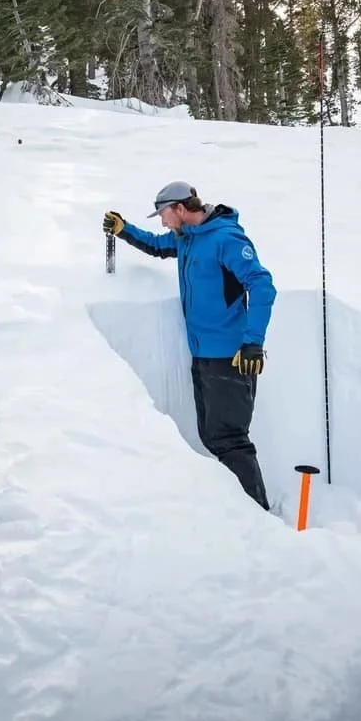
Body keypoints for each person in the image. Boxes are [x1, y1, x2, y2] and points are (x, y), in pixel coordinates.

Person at [104, 182, 276, 509]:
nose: (163, 222)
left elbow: (263, 285)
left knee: (230, 440)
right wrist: (125, 230)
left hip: (232, 357)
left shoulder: (225, 239)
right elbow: (156, 245)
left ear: (181, 209)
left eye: (165, 214)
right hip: (203, 356)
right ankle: (239, 512)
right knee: (212, 436)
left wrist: (253, 342)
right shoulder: (187, 239)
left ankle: (258, 514)